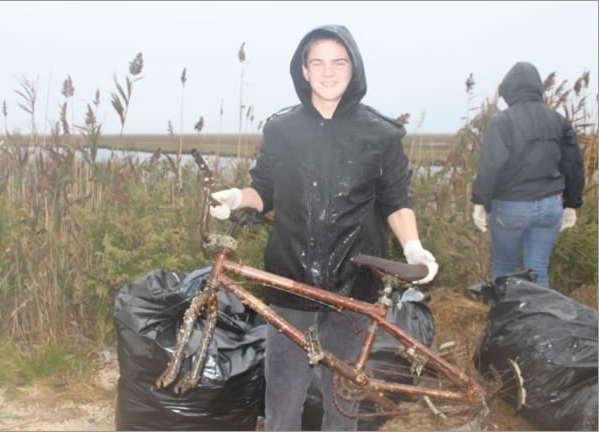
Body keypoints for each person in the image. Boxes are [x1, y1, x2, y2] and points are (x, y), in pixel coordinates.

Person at [209, 24, 438, 431]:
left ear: (354, 68)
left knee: (343, 404)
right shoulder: (281, 129)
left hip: (355, 283)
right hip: (288, 281)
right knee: (282, 400)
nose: (328, 71)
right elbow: (264, 190)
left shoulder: (382, 134)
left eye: (339, 62)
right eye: (318, 62)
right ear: (303, 69)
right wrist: (236, 198)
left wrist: (413, 247)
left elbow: (396, 200)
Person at [471, 61, 585, 289]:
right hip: (550, 206)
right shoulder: (558, 120)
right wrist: (572, 203)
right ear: (537, 89)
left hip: (510, 207)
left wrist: (480, 202)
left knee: (504, 267)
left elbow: (490, 166)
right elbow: (574, 164)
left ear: (509, 90)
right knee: (538, 269)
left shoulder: (502, 122)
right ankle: (538, 322)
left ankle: (504, 321)